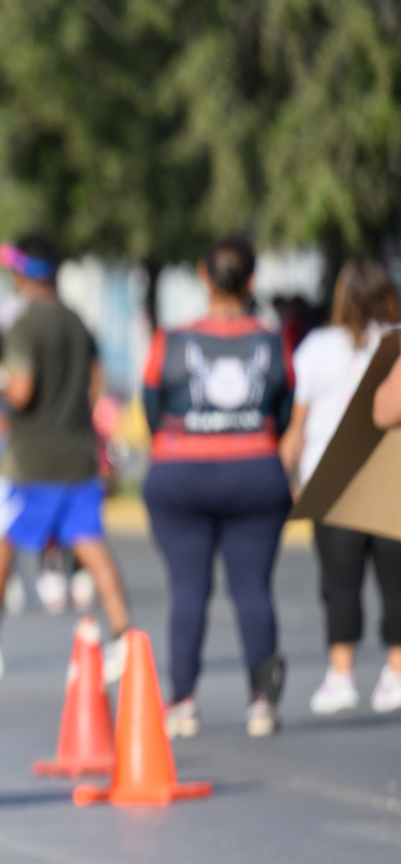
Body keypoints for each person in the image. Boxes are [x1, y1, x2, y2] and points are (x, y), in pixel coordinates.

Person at [0, 237, 131, 685]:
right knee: (90, 543)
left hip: (31, 459)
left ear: (26, 275)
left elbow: (22, 390)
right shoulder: (77, 322)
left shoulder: (25, 325)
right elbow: (95, 384)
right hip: (78, 454)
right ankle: (126, 638)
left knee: (0, 543)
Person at [139, 241, 294, 737]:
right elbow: (283, 411)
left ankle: (182, 703)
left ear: (204, 278)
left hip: (180, 474)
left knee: (188, 590)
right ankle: (262, 705)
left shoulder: (171, 338)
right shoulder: (273, 341)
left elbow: (150, 408)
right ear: (251, 281)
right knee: (253, 589)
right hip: (256, 472)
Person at [280, 258, 401, 716]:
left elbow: (299, 424)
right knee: (396, 580)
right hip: (393, 479)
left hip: (333, 478)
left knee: (338, 583)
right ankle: (396, 672)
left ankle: (341, 675)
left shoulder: (317, 348)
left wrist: (287, 476)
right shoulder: (399, 341)